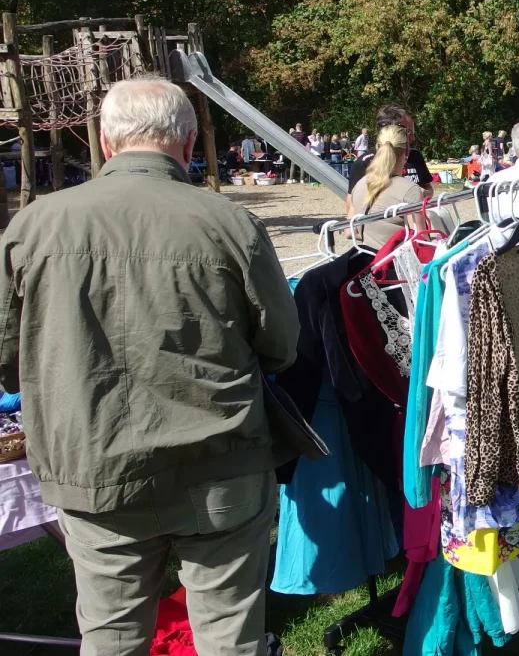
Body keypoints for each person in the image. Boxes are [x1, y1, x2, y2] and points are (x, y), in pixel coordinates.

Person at [0, 77, 299, 655]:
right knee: (229, 638)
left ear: (106, 146)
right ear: (188, 143)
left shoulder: (32, 227)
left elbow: (7, 357)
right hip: (220, 463)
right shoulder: (229, 222)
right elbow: (281, 345)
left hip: (93, 465)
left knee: (111, 637)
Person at [345, 105, 434, 218]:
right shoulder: (364, 163)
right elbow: (351, 208)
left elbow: (428, 187)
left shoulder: (415, 156)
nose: (413, 138)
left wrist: (423, 193)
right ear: (391, 131)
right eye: (409, 133)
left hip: (415, 225)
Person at [348, 125, 423, 247]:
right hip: (394, 262)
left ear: (377, 149)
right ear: (407, 152)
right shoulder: (410, 190)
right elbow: (421, 240)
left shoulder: (360, 184)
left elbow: (350, 232)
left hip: (367, 258)